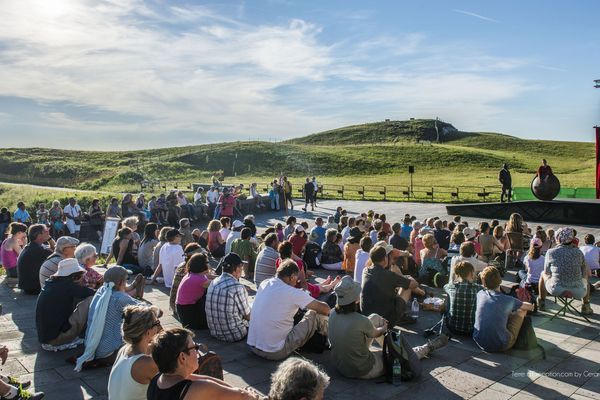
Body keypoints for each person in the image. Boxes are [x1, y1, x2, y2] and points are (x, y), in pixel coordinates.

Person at [329, 276, 448, 380]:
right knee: (400, 356)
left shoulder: (333, 313)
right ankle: (425, 348)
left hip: (341, 366)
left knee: (375, 318)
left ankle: (392, 347)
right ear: (356, 300)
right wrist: (385, 327)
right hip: (363, 370)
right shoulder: (360, 321)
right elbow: (377, 332)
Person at [248, 259, 330, 360]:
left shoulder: (265, 283)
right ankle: (330, 341)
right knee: (315, 312)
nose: (296, 283)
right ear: (292, 277)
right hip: (274, 352)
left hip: (253, 346)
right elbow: (325, 309)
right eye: (296, 280)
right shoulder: (293, 293)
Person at [147, 327, 261, 400]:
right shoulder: (198, 389)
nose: (197, 352)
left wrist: (240, 392)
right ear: (182, 357)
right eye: (195, 347)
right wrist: (251, 396)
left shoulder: (157, 379)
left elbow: (206, 379)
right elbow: (240, 396)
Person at [78, 266, 143, 369]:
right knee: (145, 321)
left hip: (91, 345)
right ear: (121, 282)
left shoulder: (101, 291)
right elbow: (152, 310)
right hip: (108, 352)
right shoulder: (120, 298)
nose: (126, 282)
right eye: (126, 280)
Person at [36, 258, 95, 350]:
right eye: (80, 276)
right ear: (74, 276)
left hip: (46, 337)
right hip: (56, 338)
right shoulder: (68, 286)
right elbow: (93, 293)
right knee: (91, 300)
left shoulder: (52, 283)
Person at [361, 245, 425, 327]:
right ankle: (399, 317)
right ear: (385, 259)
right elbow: (414, 285)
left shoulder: (365, 270)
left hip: (367, 315)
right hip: (384, 319)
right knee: (407, 287)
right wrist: (408, 278)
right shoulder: (389, 275)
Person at [473, 266, 534, 352]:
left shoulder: (480, 294)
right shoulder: (507, 300)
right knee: (521, 311)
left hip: (479, 340)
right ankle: (519, 337)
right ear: (500, 280)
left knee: (501, 311)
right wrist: (530, 303)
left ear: (483, 283)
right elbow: (530, 307)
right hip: (501, 345)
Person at [107, 305, 162, 400]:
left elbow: (151, 348)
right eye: (157, 323)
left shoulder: (124, 350)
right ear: (148, 332)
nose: (160, 327)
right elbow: (171, 384)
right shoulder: (146, 363)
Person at [538, 227, 592, 315]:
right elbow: (584, 271)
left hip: (556, 289)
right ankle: (586, 305)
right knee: (585, 278)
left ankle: (541, 302)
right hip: (578, 291)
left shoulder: (551, 252)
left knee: (543, 274)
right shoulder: (579, 252)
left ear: (558, 238)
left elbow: (547, 271)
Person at [205, 253, 251, 342]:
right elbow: (248, 316)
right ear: (236, 268)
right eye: (241, 267)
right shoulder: (237, 287)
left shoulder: (214, 282)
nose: (242, 270)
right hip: (233, 334)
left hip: (215, 332)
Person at [176, 253, 214, 329]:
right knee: (213, 293)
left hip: (183, 311)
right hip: (190, 315)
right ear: (202, 265)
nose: (208, 264)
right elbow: (217, 284)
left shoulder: (192, 274)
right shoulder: (200, 280)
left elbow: (208, 276)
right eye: (207, 262)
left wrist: (221, 276)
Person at [444, 261, 483, 336]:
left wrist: (453, 278)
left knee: (449, 296)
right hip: (471, 330)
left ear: (457, 274)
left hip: (453, 328)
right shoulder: (477, 288)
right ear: (471, 273)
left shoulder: (451, 287)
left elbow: (445, 287)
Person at [17, 224, 54, 295]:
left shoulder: (32, 246)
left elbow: (53, 249)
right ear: (39, 235)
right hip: (33, 288)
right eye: (46, 231)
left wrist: (49, 239)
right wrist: (50, 239)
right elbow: (58, 252)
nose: (48, 232)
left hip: (28, 286)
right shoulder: (36, 249)